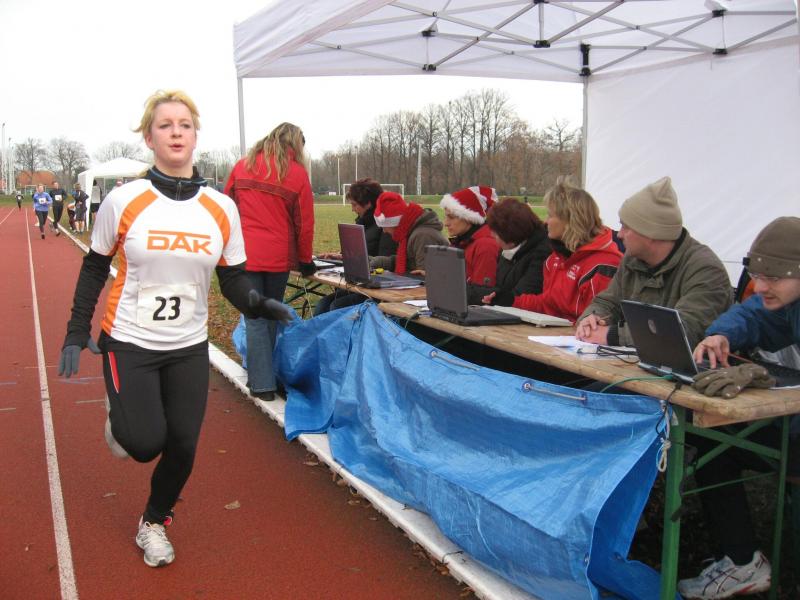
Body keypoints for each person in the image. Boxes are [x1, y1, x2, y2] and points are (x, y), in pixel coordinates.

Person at [57, 89, 293, 569]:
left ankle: (153, 521)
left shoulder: (221, 208)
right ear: (150, 138)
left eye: (185, 124)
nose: (176, 132)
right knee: (144, 443)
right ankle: (121, 417)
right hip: (129, 340)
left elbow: (232, 277)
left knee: (183, 444)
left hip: (188, 344)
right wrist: (76, 329)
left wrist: (257, 303)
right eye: (165, 125)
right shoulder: (124, 200)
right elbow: (95, 267)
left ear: (195, 135)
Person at [676, 217, 800, 599]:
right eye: (758, 275)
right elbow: (752, 314)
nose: (760, 286)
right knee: (715, 441)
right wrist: (720, 334)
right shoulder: (788, 303)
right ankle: (741, 561)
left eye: (773, 277)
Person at [575, 176, 732, 347]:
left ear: (650, 233)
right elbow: (607, 302)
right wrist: (591, 318)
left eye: (626, 227)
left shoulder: (705, 270)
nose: (619, 234)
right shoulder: (632, 260)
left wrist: (612, 335)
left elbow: (682, 332)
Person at [224, 122, 314, 401]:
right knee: (270, 314)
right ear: (296, 144)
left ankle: (261, 380)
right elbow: (304, 222)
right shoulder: (297, 174)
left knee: (254, 316)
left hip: (245, 254)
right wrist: (305, 260)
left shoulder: (243, 166)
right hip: (277, 257)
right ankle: (266, 379)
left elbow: (227, 207)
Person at [483, 177, 622, 322]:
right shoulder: (556, 258)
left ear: (569, 220)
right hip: (555, 333)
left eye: (550, 215)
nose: (546, 221)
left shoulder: (602, 265)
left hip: (576, 335)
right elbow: (547, 304)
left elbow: (595, 322)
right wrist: (510, 301)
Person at [314, 178, 398, 315]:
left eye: (354, 205)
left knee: (337, 306)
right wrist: (341, 256)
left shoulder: (386, 228)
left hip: (376, 289)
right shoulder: (363, 223)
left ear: (368, 204)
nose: (352, 209)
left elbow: (385, 262)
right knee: (323, 304)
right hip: (359, 284)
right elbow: (360, 254)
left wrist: (357, 261)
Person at [466, 197, 550, 306]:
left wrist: (469, 294)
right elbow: (500, 289)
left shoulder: (542, 255)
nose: (492, 235)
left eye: (496, 233)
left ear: (510, 235)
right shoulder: (508, 249)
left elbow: (515, 298)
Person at [370, 191, 449, 274]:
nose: (384, 231)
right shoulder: (410, 231)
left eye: (384, 226)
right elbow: (410, 262)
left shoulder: (422, 236)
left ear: (394, 223)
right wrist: (380, 262)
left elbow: (424, 278)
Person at [440, 186, 500, 286]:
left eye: (451, 217)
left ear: (469, 218)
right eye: (446, 217)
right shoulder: (462, 240)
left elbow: (481, 291)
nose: (446, 223)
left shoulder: (485, 246)